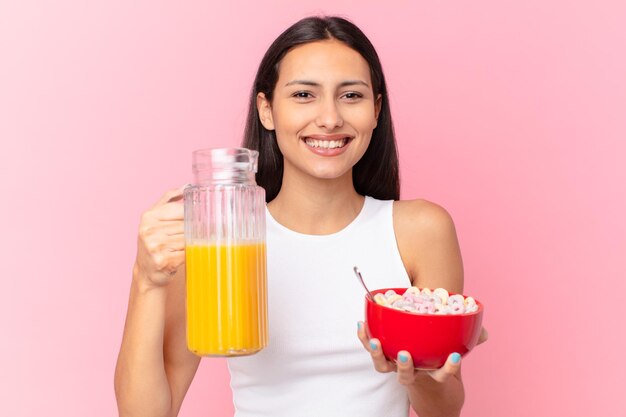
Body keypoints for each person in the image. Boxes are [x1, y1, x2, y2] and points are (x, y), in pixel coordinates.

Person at [115, 15, 487, 417]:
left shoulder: (420, 231)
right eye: (304, 95)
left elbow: (443, 409)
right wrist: (146, 280)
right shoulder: (221, 242)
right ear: (267, 110)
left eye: (351, 96)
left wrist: (414, 372)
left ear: (376, 110)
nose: (329, 118)